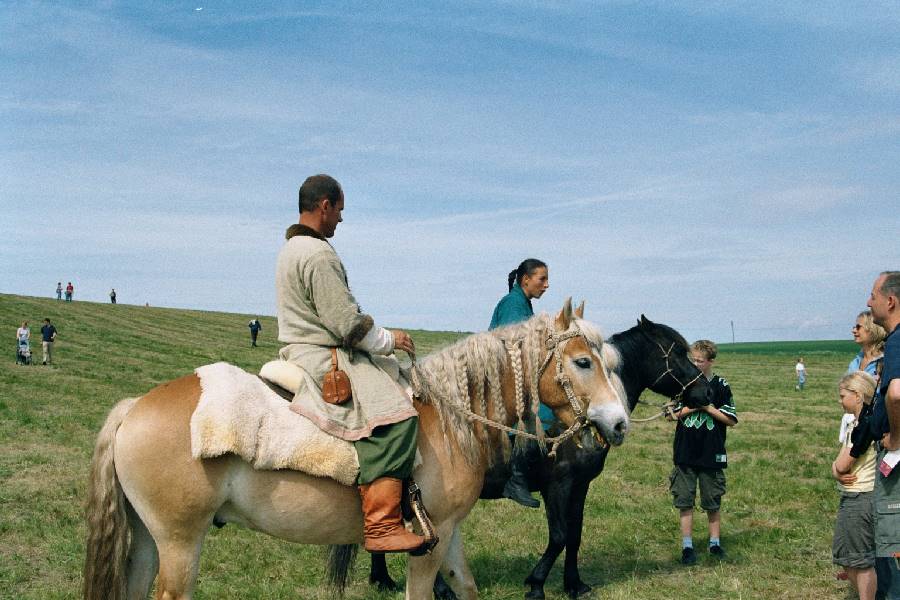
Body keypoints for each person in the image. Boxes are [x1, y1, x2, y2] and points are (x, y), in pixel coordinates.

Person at [275, 174, 424, 554]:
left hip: (303, 348)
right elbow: (346, 324)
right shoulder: (317, 254)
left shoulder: (291, 248)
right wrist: (392, 340)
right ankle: (382, 525)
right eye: (340, 210)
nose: (341, 218)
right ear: (324, 205)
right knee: (399, 417)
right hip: (322, 356)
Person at [667, 340, 737, 565]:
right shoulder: (683, 385)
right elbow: (671, 414)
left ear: (711, 361)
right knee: (684, 501)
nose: (696, 364)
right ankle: (687, 546)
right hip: (685, 453)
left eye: (700, 360)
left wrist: (708, 407)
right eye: (693, 360)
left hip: (712, 453)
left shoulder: (721, 385)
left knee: (712, 500)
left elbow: (731, 420)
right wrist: (692, 407)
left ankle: (714, 543)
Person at [488, 258, 550, 508]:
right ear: (526, 280)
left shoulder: (522, 304)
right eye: (542, 279)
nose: (546, 285)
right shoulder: (513, 304)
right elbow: (515, 348)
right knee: (541, 414)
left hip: (513, 375)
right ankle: (517, 477)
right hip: (504, 378)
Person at [866, 271, 900, 598]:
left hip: (896, 463)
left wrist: (896, 438)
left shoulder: (898, 340)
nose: (868, 301)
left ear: (890, 301)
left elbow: (897, 393)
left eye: (873, 295)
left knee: (892, 546)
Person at [832, 371, 878, 600]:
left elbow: (842, 465)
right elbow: (838, 464)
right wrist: (836, 469)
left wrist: (837, 469)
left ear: (858, 395)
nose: (840, 401)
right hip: (850, 495)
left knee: (861, 561)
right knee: (848, 557)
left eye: (843, 396)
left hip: (861, 497)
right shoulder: (856, 424)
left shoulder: (867, 427)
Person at [841, 311, 887, 442]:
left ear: (872, 329)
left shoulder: (884, 361)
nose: (853, 330)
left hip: (875, 428)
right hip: (855, 423)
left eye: (858, 327)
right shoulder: (856, 361)